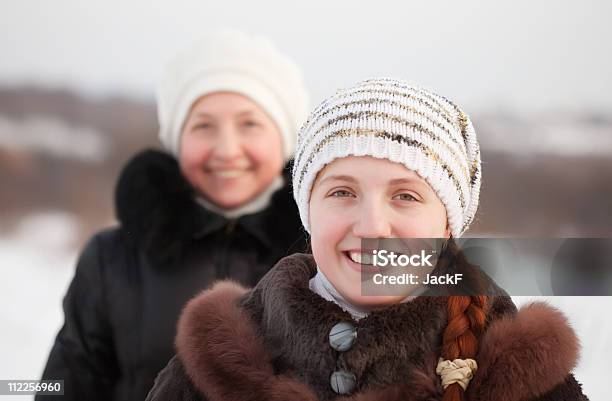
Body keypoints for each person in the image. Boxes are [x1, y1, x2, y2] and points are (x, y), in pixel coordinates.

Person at [145, 78, 589, 401]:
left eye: (405, 196)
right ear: (308, 212)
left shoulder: (519, 370)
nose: (372, 225)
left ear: (448, 226)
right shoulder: (216, 362)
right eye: (342, 192)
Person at [37, 30, 310, 401]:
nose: (226, 150)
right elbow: (62, 387)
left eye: (250, 124)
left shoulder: (326, 258)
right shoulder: (111, 258)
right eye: (203, 126)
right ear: (176, 140)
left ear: (284, 140)